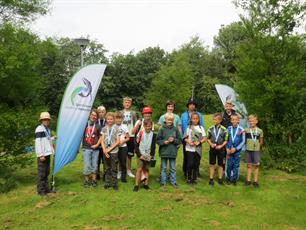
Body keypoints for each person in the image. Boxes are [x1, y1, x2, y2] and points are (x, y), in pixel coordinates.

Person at [180, 98, 204, 178]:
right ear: (188, 105)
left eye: (193, 104)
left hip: (197, 140)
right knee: (187, 156)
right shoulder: (183, 115)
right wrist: (184, 138)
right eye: (190, 104)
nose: (192, 106)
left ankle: (196, 171)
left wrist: (200, 140)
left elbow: (202, 126)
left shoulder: (199, 115)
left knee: (197, 156)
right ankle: (185, 171)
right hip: (187, 138)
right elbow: (181, 126)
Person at [157, 112, 181, 188]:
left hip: (172, 152)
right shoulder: (162, 129)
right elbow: (157, 140)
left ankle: (173, 182)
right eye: (168, 120)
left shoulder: (175, 129)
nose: (170, 121)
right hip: (164, 151)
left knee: (172, 168)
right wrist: (164, 142)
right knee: (163, 168)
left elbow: (179, 140)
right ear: (165, 120)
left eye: (171, 120)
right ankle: (162, 182)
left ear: (173, 120)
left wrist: (173, 140)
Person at [97, 112, 120, 190]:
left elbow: (118, 141)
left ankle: (114, 183)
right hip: (105, 151)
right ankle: (107, 183)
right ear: (106, 120)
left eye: (111, 119)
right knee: (106, 168)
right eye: (108, 119)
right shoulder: (104, 129)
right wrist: (104, 150)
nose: (110, 120)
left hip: (114, 152)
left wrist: (109, 149)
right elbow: (102, 140)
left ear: (113, 120)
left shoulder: (117, 128)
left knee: (114, 168)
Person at [35, 112, 55, 196]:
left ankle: (46, 189)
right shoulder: (39, 129)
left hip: (47, 154)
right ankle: (41, 191)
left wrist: (53, 138)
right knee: (42, 172)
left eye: (47, 119)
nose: (46, 121)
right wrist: (40, 155)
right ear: (41, 120)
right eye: (45, 119)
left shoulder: (47, 129)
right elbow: (38, 142)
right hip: (42, 155)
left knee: (47, 172)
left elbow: (47, 139)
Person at [133, 119, 156, 192]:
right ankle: (136, 185)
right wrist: (139, 155)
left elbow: (153, 146)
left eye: (149, 126)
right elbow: (136, 145)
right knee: (139, 169)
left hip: (148, 155)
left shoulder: (154, 135)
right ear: (144, 126)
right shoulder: (140, 133)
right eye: (146, 126)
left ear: (151, 126)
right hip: (141, 154)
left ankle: (146, 184)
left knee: (146, 169)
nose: (148, 127)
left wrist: (151, 156)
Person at [183, 112, 206, 184]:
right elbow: (184, 138)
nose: (195, 120)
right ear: (191, 119)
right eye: (193, 118)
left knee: (196, 164)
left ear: (198, 119)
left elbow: (205, 138)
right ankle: (188, 178)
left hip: (197, 149)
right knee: (190, 164)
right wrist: (188, 141)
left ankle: (194, 178)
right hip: (189, 149)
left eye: (196, 118)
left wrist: (199, 142)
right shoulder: (188, 127)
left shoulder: (201, 128)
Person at [207, 113, 228, 186]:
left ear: (220, 120)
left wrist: (221, 146)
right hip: (212, 148)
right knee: (212, 164)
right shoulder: (210, 128)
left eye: (216, 119)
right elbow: (208, 138)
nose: (214, 121)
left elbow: (226, 140)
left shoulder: (224, 129)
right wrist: (211, 144)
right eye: (214, 119)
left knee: (221, 164)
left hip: (221, 149)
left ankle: (220, 179)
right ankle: (211, 179)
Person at [82, 109, 101, 188]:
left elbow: (101, 137)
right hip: (86, 148)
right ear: (89, 115)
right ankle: (86, 181)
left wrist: (97, 145)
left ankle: (94, 180)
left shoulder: (98, 125)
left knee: (95, 165)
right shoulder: (84, 124)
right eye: (92, 115)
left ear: (97, 117)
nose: (94, 116)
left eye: (95, 115)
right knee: (87, 165)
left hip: (95, 149)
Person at [225, 114, 245, 185]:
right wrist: (227, 148)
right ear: (231, 120)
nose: (234, 121)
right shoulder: (228, 129)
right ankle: (228, 179)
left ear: (238, 120)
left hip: (237, 152)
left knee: (236, 166)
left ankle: (234, 180)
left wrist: (236, 148)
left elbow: (243, 141)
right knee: (229, 165)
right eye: (232, 119)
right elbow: (226, 139)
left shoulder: (241, 130)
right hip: (229, 151)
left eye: (236, 119)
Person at [245, 114, 264, 188]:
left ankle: (255, 181)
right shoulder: (246, 130)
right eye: (250, 121)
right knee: (249, 165)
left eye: (253, 121)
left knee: (256, 166)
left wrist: (258, 147)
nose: (251, 122)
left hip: (256, 150)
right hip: (248, 149)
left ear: (256, 121)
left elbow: (261, 141)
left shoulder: (260, 131)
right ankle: (248, 180)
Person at [121, 97, 138, 178]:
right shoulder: (120, 112)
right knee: (120, 154)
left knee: (129, 154)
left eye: (128, 102)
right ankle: (120, 170)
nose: (127, 104)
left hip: (131, 136)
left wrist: (136, 134)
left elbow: (136, 124)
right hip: (122, 136)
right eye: (126, 102)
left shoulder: (133, 113)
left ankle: (129, 170)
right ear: (123, 103)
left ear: (130, 104)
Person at [115, 111, 130, 183]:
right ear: (115, 119)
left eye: (120, 118)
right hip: (115, 147)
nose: (118, 120)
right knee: (115, 161)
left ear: (122, 119)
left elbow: (128, 138)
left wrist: (122, 142)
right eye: (117, 118)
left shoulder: (124, 126)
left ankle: (123, 176)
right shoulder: (113, 126)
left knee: (123, 162)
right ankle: (118, 173)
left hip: (123, 147)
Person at [96, 105, 107, 181]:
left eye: (102, 112)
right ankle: (97, 174)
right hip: (97, 144)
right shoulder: (95, 121)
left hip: (105, 145)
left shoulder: (108, 121)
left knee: (105, 161)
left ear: (105, 113)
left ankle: (105, 175)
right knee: (97, 161)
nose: (101, 114)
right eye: (99, 112)